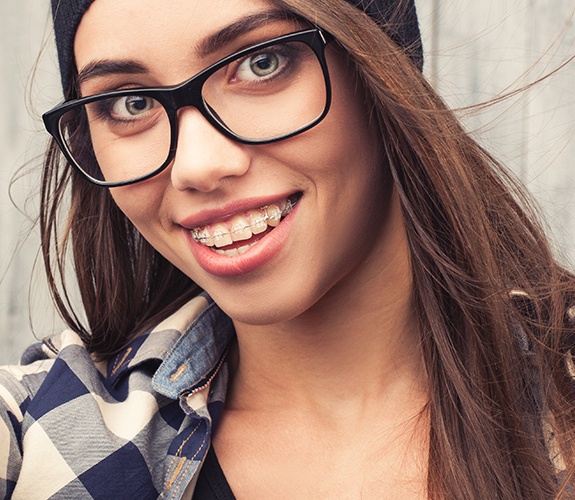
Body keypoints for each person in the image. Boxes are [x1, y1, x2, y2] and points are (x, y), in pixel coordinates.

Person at [1, 0, 574, 498]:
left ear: (379, 67)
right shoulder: (36, 428)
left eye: (261, 62)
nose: (198, 166)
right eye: (128, 104)